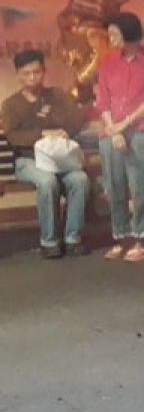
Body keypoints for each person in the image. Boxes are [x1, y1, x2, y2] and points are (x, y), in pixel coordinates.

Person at [1, 49, 89, 258]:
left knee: (80, 180)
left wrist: (65, 130)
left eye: (37, 72)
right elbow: (12, 136)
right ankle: (49, 241)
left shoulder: (57, 95)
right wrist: (42, 133)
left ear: (44, 71)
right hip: (28, 160)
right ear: (19, 75)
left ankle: (73, 238)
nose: (32, 77)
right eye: (27, 73)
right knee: (47, 181)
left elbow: (77, 119)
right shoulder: (11, 104)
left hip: (60, 159)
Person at [96, 11, 144, 262]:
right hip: (110, 132)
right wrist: (112, 128)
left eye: (115, 33)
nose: (111, 38)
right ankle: (121, 237)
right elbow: (102, 100)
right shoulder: (107, 63)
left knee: (139, 185)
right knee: (113, 185)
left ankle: (142, 239)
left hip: (139, 130)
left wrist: (124, 125)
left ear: (129, 35)